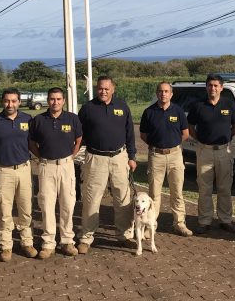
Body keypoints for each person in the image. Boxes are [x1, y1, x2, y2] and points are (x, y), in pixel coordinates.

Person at [77, 76, 137, 254]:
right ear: (97, 89)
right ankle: (86, 238)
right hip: (96, 159)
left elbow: (130, 134)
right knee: (91, 199)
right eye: (100, 88)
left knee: (122, 198)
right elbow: (79, 134)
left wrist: (132, 156)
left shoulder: (122, 106)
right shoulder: (88, 108)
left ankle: (124, 235)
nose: (103, 91)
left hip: (119, 158)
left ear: (113, 88)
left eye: (106, 88)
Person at [29, 87, 83, 259]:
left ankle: (67, 241)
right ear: (47, 100)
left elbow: (79, 139)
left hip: (67, 166)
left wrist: (70, 156)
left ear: (63, 101)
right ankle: (48, 243)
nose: (55, 102)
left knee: (68, 203)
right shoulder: (38, 120)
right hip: (46, 166)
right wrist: (42, 158)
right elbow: (31, 142)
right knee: (47, 205)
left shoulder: (72, 119)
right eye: (52, 99)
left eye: (59, 99)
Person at [0, 88, 36, 262]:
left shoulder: (27, 119)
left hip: (24, 169)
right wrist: (0, 153)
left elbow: (33, 142)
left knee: (25, 209)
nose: (10, 104)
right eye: (7, 101)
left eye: (14, 101)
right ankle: (6, 246)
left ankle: (27, 242)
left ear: (19, 102)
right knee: (4, 210)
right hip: (3, 171)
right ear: (2, 101)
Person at [187, 74, 235, 234]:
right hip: (205, 152)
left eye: (216, 85)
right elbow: (190, 126)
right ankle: (204, 221)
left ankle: (225, 220)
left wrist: (227, 138)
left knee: (225, 188)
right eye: (210, 85)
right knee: (205, 189)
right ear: (206, 87)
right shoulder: (198, 106)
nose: (213, 88)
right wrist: (201, 141)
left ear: (221, 87)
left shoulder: (229, 104)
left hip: (224, 151)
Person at [139, 82, 192, 237]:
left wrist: (172, 146)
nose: (163, 94)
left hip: (175, 155)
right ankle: (151, 225)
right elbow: (143, 135)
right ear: (157, 93)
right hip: (156, 156)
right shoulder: (149, 112)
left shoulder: (178, 111)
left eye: (166, 91)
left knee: (177, 193)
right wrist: (157, 146)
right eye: (161, 91)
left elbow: (185, 134)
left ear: (171, 93)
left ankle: (180, 224)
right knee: (154, 194)